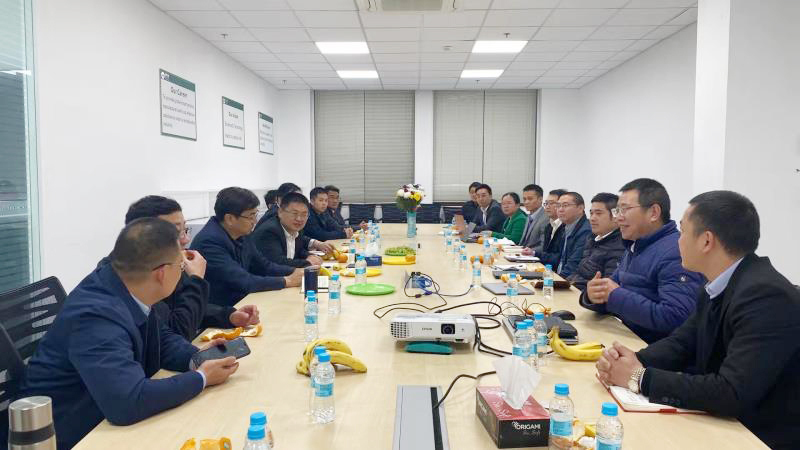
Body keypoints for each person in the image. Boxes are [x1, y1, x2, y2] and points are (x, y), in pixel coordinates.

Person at [596, 191, 800, 449]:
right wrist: (632, 360)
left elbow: (731, 391)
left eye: (682, 232)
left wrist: (639, 377)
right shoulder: (718, 284)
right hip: (723, 422)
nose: (677, 241)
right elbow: (683, 343)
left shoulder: (765, 296)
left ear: (706, 241)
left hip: (758, 436)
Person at [19, 218, 240, 448]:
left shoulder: (125, 285)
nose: (183, 272)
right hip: (74, 434)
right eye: (181, 267)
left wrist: (196, 357)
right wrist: (201, 378)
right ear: (161, 273)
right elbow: (127, 402)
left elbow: (161, 339)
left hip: (103, 414)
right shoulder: (95, 315)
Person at [98, 195, 261, 340]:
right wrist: (196, 280)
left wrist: (228, 316)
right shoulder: (125, 278)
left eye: (185, 230)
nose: (186, 240)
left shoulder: (165, 261)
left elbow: (179, 308)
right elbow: (179, 330)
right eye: (176, 233)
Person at [579, 178, 704, 343]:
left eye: (625, 209)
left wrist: (615, 295)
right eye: (617, 211)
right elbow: (611, 289)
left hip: (650, 350)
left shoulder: (675, 252)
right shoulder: (635, 245)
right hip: (625, 338)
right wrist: (592, 295)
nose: (618, 218)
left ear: (654, 213)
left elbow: (676, 318)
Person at [191, 187, 302, 307]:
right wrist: (287, 281)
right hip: (222, 310)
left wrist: (296, 271)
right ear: (230, 219)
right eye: (251, 216)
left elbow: (264, 266)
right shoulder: (209, 242)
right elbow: (243, 281)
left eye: (256, 214)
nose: (255, 221)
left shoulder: (241, 233)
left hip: (243, 302)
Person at [251, 192, 333, 268]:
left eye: (304, 214)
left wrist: (309, 256)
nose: (299, 219)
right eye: (294, 213)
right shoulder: (270, 231)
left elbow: (298, 250)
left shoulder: (296, 228)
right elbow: (277, 262)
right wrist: (307, 262)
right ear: (280, 212)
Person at [568, 193, 625, 291]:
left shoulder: (619, 246)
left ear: (615, 216)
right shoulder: (592, 238)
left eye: (598, 213)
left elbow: (606, 288)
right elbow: (579, 271)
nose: (592, 218)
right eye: (591, 213)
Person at [536, 192, 591, 278]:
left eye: (565, 205)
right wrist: (535, 254)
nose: (560, 210)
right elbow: (558, 258)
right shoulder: (565, 227)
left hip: (569, 281)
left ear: (580, 208)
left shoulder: (585, 231)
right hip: (559, 276)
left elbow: (573, 265)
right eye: (558, 205)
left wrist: (556, 281)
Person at [523, 188, 566, 256]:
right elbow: (546, 251)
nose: (547, 207)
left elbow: (557, 255)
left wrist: (533, 252)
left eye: (551, 203)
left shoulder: (565, 227)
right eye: (546, 203)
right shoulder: (550, 225)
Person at [518, 184, 548, 250]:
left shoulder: (546, 218)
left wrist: (528, 251)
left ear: (540, 199)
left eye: (530, 199)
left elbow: (543, 246)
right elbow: (524, 242)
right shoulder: (529, 216)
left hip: (533, 255)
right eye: (524, 199)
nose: (526, 202)